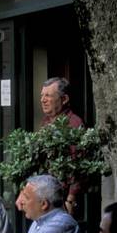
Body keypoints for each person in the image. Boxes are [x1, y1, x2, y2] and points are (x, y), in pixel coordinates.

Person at [39, 77, 85, 215]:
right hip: (48, 195)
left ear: (64, 99)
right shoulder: (45, 122)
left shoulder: (74, 124)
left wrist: (71, 198)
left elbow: (79, 165)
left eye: (48, 95)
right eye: (42, 95)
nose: (43, 100)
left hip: (65, 199)